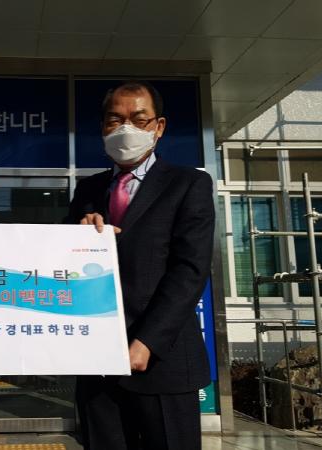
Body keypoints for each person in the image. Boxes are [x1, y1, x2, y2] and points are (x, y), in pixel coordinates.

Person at [66, 81, 214, 450]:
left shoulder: (189, 183)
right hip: (97, 361)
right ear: (103, 127)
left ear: (159, 127)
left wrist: (147, 341)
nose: (125, 128)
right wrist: (75, 236)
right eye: (115, 120)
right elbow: (60, 262)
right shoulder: (88, 190)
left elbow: (189, 270)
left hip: (162, 360)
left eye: (139, 119)